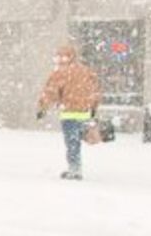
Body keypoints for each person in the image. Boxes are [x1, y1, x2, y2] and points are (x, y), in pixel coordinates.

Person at [37, 43, 103, 180]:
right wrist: (93, 108)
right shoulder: (86, 71)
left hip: (69, 114)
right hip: (85, 113)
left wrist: (43, 108)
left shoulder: (60, 73)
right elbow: (95, 91)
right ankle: (76, 167)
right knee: (78, 139)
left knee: (72, 143)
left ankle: (75, 169)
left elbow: (50, 92)